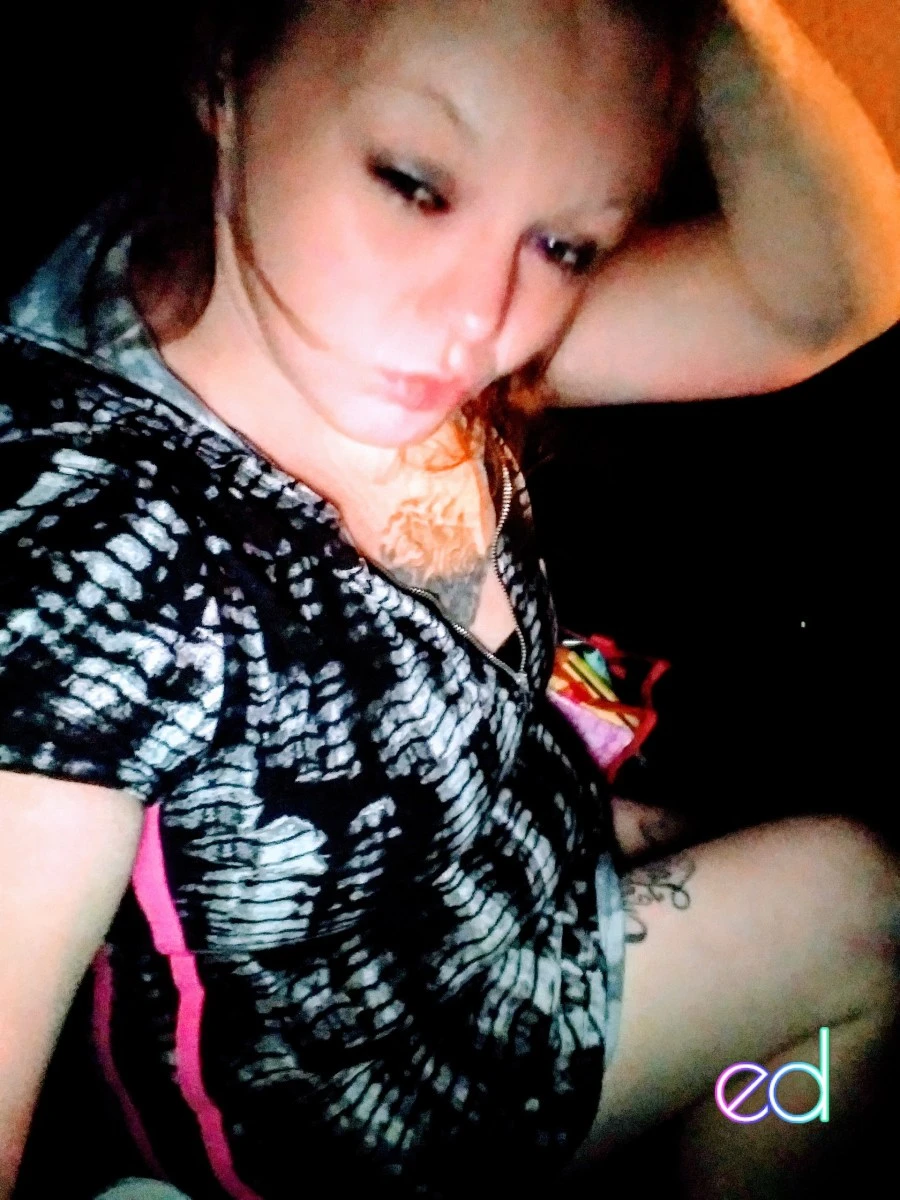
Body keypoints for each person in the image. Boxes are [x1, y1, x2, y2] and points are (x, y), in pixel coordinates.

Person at [1, 1, 899, 1197]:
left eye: (567, 243)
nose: (480, 321)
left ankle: (740, 1103)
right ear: (224, 64)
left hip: (491, 866)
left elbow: (822, 303)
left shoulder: (311, 316)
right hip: (350, 1113)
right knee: (859, 917)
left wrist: (717, 16)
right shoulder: (94, 568)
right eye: (415, 184)